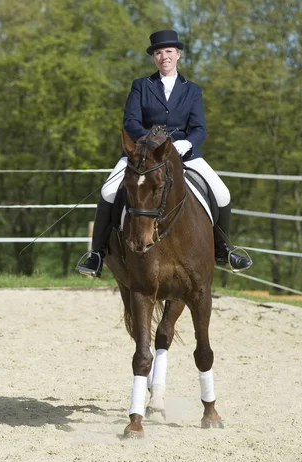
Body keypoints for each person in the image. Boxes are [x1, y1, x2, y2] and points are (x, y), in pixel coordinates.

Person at [76, 29, 252, 278]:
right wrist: (149, 143)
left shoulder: (192, 90)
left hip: (184, 153)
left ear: (178, 54)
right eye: (158, 53)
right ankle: (96, 254)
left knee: (223, 193)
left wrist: (186, 143)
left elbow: (200, 128)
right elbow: (131, 122)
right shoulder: (141, 86)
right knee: (107, 191)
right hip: (143, 154)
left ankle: (223, 249)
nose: (164, 56)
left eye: (168, 51)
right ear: (153, 58)